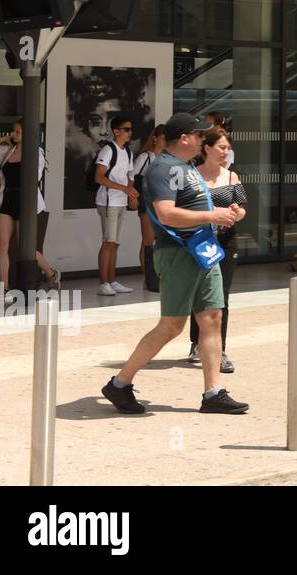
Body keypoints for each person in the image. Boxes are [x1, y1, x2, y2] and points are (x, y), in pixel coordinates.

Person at [102, 113, 248, 415]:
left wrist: (222, 211)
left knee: (211, 319)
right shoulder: (163, 169)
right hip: (180, 253)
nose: (203, 139)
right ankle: (119, 384)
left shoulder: (185, 167)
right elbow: (166, 213)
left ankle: (213, 393)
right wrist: (213, 216)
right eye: (199, 134)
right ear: (184, 138)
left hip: (202, 251)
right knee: (171, 326)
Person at [188, 127, 246, 373]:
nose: (226, 151)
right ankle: (196, 343)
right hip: (200, 241)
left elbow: (243, 208)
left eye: (228, 147)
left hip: (225, 242)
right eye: (222, 147)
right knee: (199, 293)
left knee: (222, 296)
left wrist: (235, 213)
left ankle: (219, 349)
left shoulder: (232, 177)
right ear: (207, 148)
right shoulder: (192, 176)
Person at [0, 121, 57, 302]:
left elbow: (35, 176)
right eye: (13, 131)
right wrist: (7, 138)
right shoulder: (7, 152)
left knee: (25, 247)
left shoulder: (35, 153)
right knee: (1, 244)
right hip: (7, 201)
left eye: (18, 132)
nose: (14, 134)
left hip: (26, 204)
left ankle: (51, 272)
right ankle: (4, 289)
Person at [93, 114, 137, 297]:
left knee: (115, 243)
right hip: (108, 200)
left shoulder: (128, 152)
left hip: (120, 201)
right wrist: (125, 189)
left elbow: (129, 177)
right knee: (108, 242)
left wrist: (131, 194)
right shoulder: (108, 150)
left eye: (131, 129)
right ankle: (103, 283)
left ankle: (112, 281)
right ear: (116, 131)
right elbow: (99, 177)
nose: (129, 133)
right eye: (126, 129)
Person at [131, 127, 166, 292]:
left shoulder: (166, 157)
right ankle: (149, 277)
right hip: (146, 203)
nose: (166, 141)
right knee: (148, 240)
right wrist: (132, 196)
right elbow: (131, 177)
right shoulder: (145, 157)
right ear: (155, 138)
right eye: (163, 138)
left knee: (157, 241)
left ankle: (155, 275)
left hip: (162, 204)